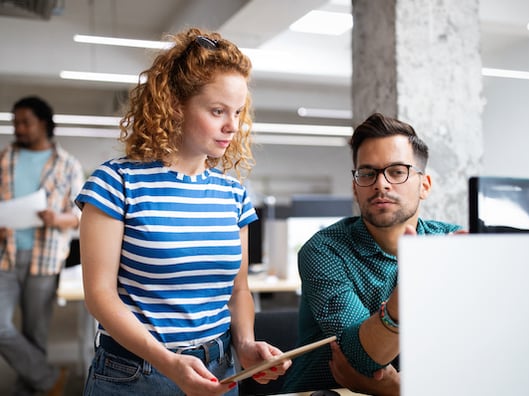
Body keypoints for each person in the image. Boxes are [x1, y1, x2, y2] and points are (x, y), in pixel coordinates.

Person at [74, 27, 290, 396]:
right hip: (134, 374)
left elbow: (238, 290)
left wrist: (246, 344)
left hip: (218, 371)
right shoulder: (117, 183)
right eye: (217, 111)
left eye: (237, 112)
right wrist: (168, 362)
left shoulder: (234, 195)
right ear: (175, 104)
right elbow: (100, 296)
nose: (232, 126)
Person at [282, 112, 464, 395]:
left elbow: (470, 351)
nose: (381, 184)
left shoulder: (451, 243)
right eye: (367, 173)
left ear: (424, 185)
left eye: (397, 171)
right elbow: (361, 358)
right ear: (356, 188)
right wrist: (409, 294)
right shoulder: (324, 250)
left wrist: (397, 389)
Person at [0, 96, 85, 396]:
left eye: (25, 122)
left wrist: (56, 218)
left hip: (46, 258)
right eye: (16, 123)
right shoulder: (4, 159)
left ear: (44, 124)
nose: (19, 129)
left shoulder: (68, 165)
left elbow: (80, 215)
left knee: (35, 332)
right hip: (5, 256)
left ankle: (29, 387)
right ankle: (48, 379)